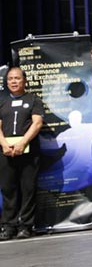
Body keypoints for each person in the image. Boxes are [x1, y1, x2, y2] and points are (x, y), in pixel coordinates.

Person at [0, 67, 43, 240]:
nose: (14, 81)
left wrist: (23, 142)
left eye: (17, 78)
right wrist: (3, 143)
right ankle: (8, 226)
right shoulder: (1, 100)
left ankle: (26, 225)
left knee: (27, 189)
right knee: (8, 189)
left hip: (28, 151)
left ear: (24, 80)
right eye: (10, 79)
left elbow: (37, 123)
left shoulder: (33, 99)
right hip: (5, 151)